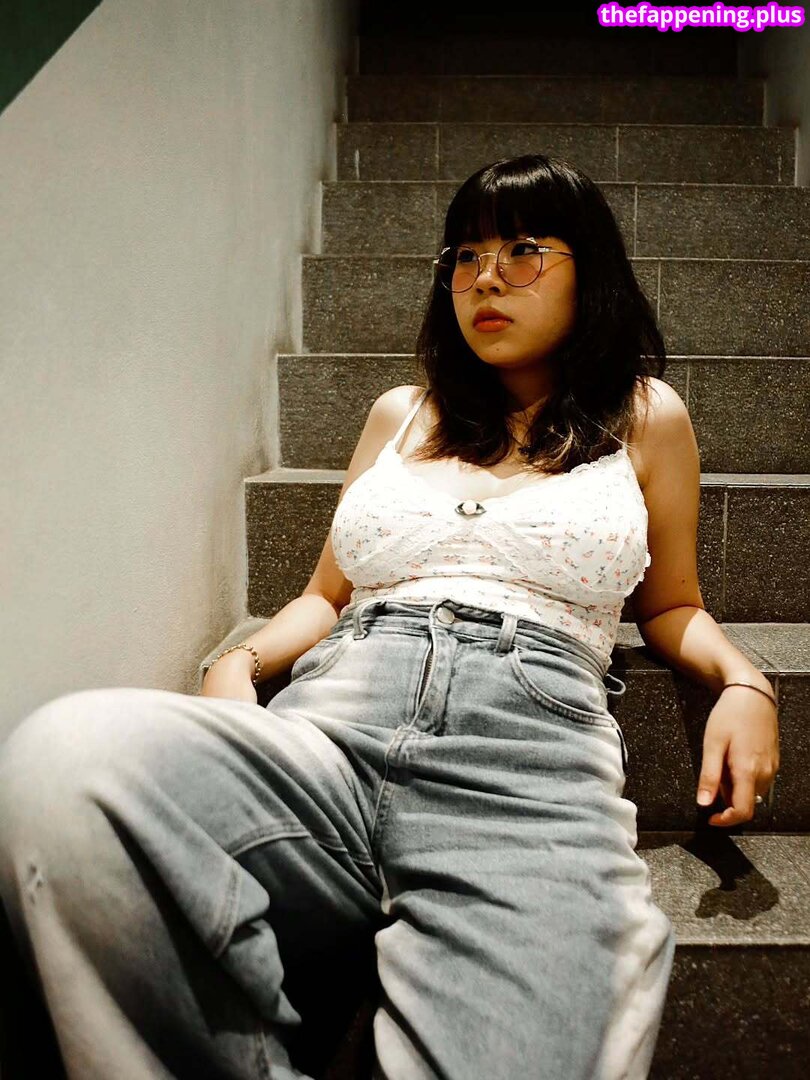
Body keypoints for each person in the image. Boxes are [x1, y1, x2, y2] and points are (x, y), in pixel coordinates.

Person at [1, 150, 769, 1079]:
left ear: (591, 271)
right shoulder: (401, 414)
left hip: (522, 771)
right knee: (65, 766)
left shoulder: (647, 418)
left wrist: (744, 681)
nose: (485, 278)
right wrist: (236, 664)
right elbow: (326, 596)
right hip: (330, 729)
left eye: (523, 250)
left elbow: (672, 603)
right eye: (465, 256)